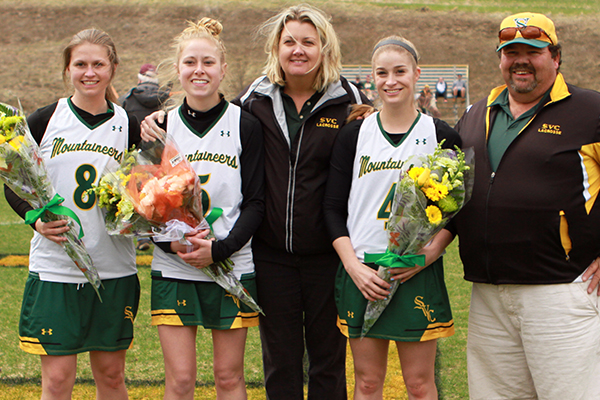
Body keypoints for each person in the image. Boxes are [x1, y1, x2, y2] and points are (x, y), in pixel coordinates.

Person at [432, 12, 600, 399]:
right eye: (511, 52)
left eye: (532, 51)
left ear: (555, 57)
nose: (520, 60)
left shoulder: (589, 110)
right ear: (500, 58)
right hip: (488, 293)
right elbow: (458, 194)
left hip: (559, 291)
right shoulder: (477, 112)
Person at [232, 5, 369, 399]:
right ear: (276, 47)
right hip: (272, 253)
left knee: (328, 361)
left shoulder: (350, 100)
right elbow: (209, 128)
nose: (298, 50)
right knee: (281, 362)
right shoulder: (253, 99)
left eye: (308, 42)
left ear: (324, 48)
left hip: (330, 254)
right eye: (289, 41)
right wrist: (159, 120)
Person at [4, 28, 141, 400]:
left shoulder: (128, 125)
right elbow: (13, 184)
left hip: (114, 267)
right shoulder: (44, 119)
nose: (89, 72)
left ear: (113, 68)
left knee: (112, 377)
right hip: (56, 267)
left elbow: (142, 189)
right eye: (80, 64)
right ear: (68, 69)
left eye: (99, 64)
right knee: (58, 381)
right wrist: (36, 220)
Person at [323, 35, 460, 400]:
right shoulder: (354, 135)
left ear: (417, 74)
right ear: (372, 78)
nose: (391, 80)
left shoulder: (441, 135)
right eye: (382, 73)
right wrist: (352, 266)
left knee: (419, 385)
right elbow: (333, 208)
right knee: (367, 383)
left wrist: (426, 257)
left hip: (415, 270)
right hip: (364, 271)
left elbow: (457, 213)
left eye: (400, 71)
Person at [140, 18, 265, 400]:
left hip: (231, 264)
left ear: (223, 69)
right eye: (191, 62)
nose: (199, 70)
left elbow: (257, 202)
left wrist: (221, 249)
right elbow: (144, 206)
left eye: (208, 62)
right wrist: (171, 247)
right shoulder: (158, 128)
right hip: (176, 267)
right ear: (177, 69)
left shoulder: (245, 124)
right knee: (179, 382)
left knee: (229, 379)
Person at [119, 63, 170, 252]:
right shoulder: (166, 99)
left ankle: (141, 237)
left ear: (139, 78)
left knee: (139, 196)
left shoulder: (127, 99)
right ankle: (164, 234)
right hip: (161, 155)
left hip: (138, 155)